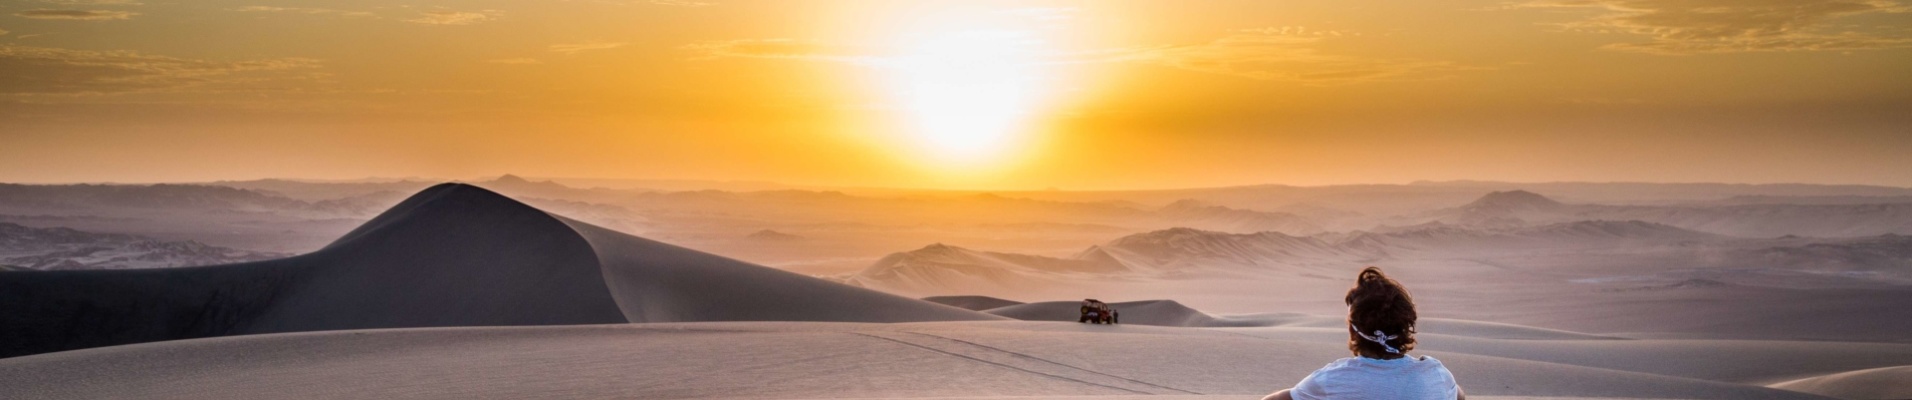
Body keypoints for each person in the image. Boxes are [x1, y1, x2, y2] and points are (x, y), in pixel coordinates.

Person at [1263, 267, 1465, 400]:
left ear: (1353, 330)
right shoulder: (1436, 374)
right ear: (1406, 326)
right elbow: (1459, 396)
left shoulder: (1333, 379)